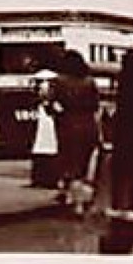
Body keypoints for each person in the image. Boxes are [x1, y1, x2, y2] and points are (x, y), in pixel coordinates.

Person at [50, 50, 101, 212]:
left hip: (68, 125)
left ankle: (70, 196)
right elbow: (95, 105)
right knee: (82, 164)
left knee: (69, 161)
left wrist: (58, 113)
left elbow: (53, 104)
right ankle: (79, 200)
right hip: (88, 125)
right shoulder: (90, 82)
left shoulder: (58, 81)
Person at [28, 70, 59, 189]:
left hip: (48, 123)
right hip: (44, 123)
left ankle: (45, 178)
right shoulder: (39, 103)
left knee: (46, 147)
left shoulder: (50, 101)